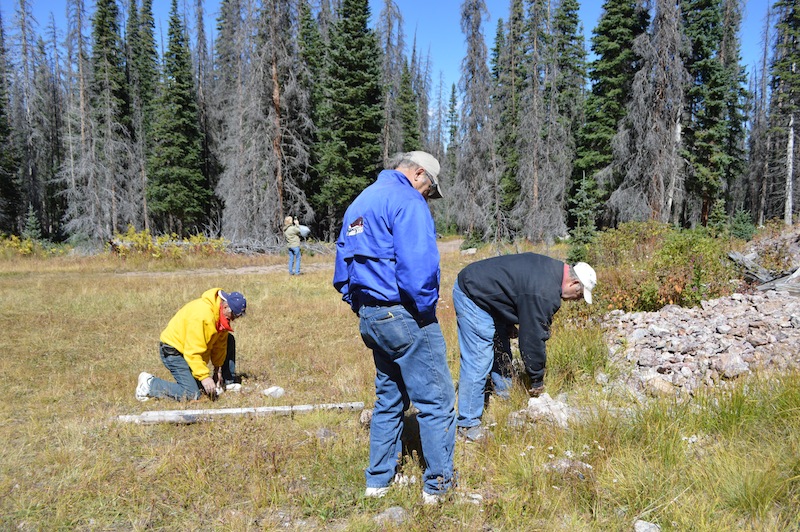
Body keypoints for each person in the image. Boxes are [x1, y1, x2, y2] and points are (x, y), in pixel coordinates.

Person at [333, 151, 455, 505]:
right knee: (437, 401)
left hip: (371, 316)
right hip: (404, 314)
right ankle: (438, 487)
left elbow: (342, 272)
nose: (427, 198)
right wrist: (425, 311)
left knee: (389, 399)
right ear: (418, 175)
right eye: (429, 191)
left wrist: (362, 306)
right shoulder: (407, 201)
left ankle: (378, 483)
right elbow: (418, 268)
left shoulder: (361, 201)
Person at [452, 254, 597, 441]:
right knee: (479, 358)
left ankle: (505, 396)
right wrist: (536, 380)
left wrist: (507, 319)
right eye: (579, 295)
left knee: (500, 348)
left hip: (487, 293)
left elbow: (515, 289)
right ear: (573, 283)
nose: (575, 300)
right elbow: (532, 339)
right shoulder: (545, 291)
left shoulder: (553, 271)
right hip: (472, 293)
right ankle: (467, 425)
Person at [136, 288, 247, 401]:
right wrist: (204, 377)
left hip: (187, 350)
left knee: (229, 339)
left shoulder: (221, 317)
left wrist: (217, 369)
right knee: (192, 394)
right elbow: (193, 351)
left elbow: (220, 345)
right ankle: (149, 384)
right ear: (225, 306)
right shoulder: (202, 316)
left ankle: (227, 380)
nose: (233, 319)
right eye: (233, 315)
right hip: (173, 351)